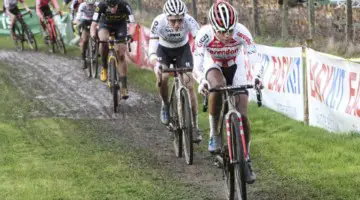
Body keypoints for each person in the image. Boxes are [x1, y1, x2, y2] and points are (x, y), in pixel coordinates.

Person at [192, 0, 263, 184]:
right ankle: (214, 132)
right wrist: (201, 82)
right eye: (221, 31)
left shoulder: (242, 32)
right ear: (212, 27)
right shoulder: (204, 35)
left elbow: (255, 58)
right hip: (213, 64)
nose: (226, 35)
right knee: (217, 84)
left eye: (230, 30)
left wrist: (257, 77)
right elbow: (197, 65)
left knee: (243, 115)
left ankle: (246, 158)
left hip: (235, 64)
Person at [148, 0, 202, 142]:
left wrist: (199, 59)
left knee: (189, 84)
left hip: (182, 50)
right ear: (167, 18)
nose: (177, 24)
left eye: (180, 20)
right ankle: (165, 105)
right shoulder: (158, 22)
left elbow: (200, 42)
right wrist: (156, 65)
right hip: (163, 50)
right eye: (173, 21)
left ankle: (195, 126)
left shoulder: (190, 20)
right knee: (163, 76)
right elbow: (152, 49)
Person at [90, 0, 134, 99]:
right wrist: (93, 35)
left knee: (121, 54)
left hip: (120, 26)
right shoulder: (101, 5)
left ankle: (124, 86)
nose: (113, 8)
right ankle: (104, 66)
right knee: (103, 41)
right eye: (110, 6)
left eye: (115, 6)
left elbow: (132, 24)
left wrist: (130, 34)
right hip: (105, 25)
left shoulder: (125, 5)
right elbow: (93, 24)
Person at [73, 0, 96, 69]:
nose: (90, 6)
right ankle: (83, 59)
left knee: (97, 36)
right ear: (86, 2)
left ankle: (95, 49)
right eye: (89, 5)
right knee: (84, 40)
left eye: (92, 5)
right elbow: (78, 16)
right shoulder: (82, 5)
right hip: (84, 21)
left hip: (93, 21)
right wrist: (77, 21)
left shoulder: (97, 5)